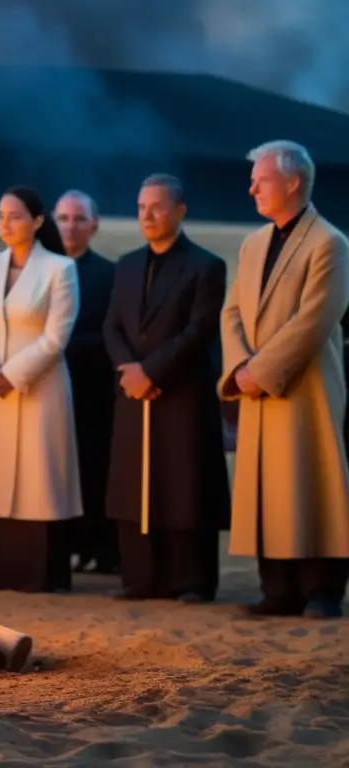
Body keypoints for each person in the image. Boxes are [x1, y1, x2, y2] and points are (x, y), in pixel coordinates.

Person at [219, 141, 349, 619]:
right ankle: (277, 590)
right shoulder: (253, 243)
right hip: (257, 386)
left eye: (262, 179)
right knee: (267, 486)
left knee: (312, 482)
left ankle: (322, 590)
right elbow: (231, 311)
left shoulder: (329, 243)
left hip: (306, 388)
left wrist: (261, 371)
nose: (252, 187)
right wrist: (240, 369)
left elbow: (316, 318)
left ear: (293, 183)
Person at [103, 174, 230, 603]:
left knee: (184, 486)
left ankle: (190, 581)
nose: (148, 216)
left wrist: (152, 373)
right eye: (141, 208)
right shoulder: (127, 265)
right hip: (133, 393)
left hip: (181, 394)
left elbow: (199, 330)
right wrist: (128, 370)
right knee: (134, 486)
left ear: (180, 210)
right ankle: (139, 579)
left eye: (157, 207)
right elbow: (112, 325)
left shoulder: (206, 265)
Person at [0, 186, 82, 592]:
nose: (6, 224)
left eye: (15, 215)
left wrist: (12, 374)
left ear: (38, 221)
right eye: (1, 215)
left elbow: (55, 337)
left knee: (39, 479)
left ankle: (39, 575)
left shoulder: (60, 269)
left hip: (39, 389)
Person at [54, 190, 118, 575]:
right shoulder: (41, 272)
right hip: (50, 388)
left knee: (95, 469)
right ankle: (67, 547)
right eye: (63, 218)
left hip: (93, 388)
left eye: (79, 218)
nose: (71, 226)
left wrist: (62, 347)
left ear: (93, 224)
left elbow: (111, 330)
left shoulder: (110, 274)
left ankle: (102, 549)